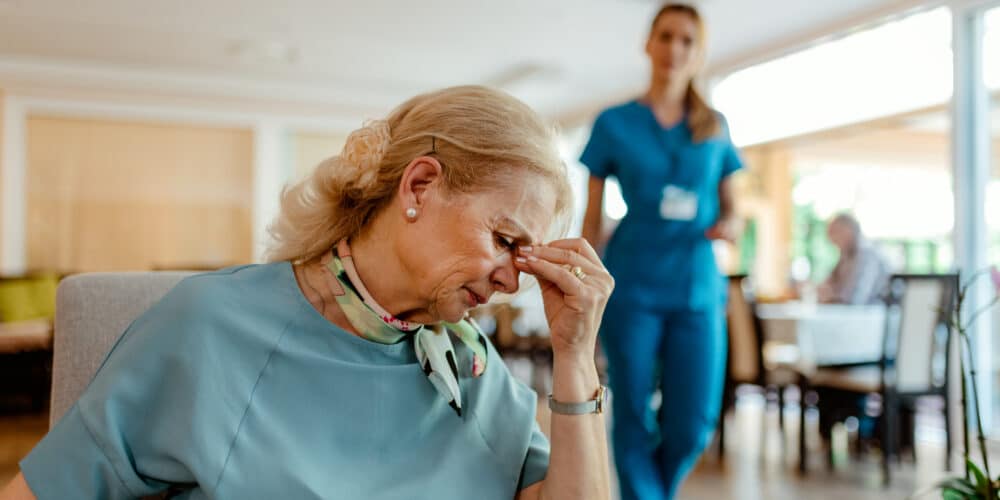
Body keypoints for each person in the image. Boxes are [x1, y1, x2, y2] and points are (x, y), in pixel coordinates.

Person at [0, 86, 613, 500]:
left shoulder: (468, 363)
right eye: (505, 240)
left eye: (525, 258)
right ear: (420, 186)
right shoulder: (208, 328)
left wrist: (575, 355)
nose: (511, 281)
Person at [579, 4, 743, 499]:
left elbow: (734, 208)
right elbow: (591, 218)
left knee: (693, 423)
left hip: (696, 286)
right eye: (666, 36)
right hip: (632, 285)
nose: (675, 48)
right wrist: (583, 281)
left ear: (698, 53)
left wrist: (729, 226)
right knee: (631, 413)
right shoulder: (613, 122)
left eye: (687, 40)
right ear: (648, 44)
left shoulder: (714, 126)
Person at [817, 213, 890, 305]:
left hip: (872, 312)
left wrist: (831, 295)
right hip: (854, 313)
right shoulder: (846, 255)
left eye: (833, 233)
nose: (831, 240)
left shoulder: (867, 254)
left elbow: (857, 298)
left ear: (848, 231)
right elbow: (828, 284)